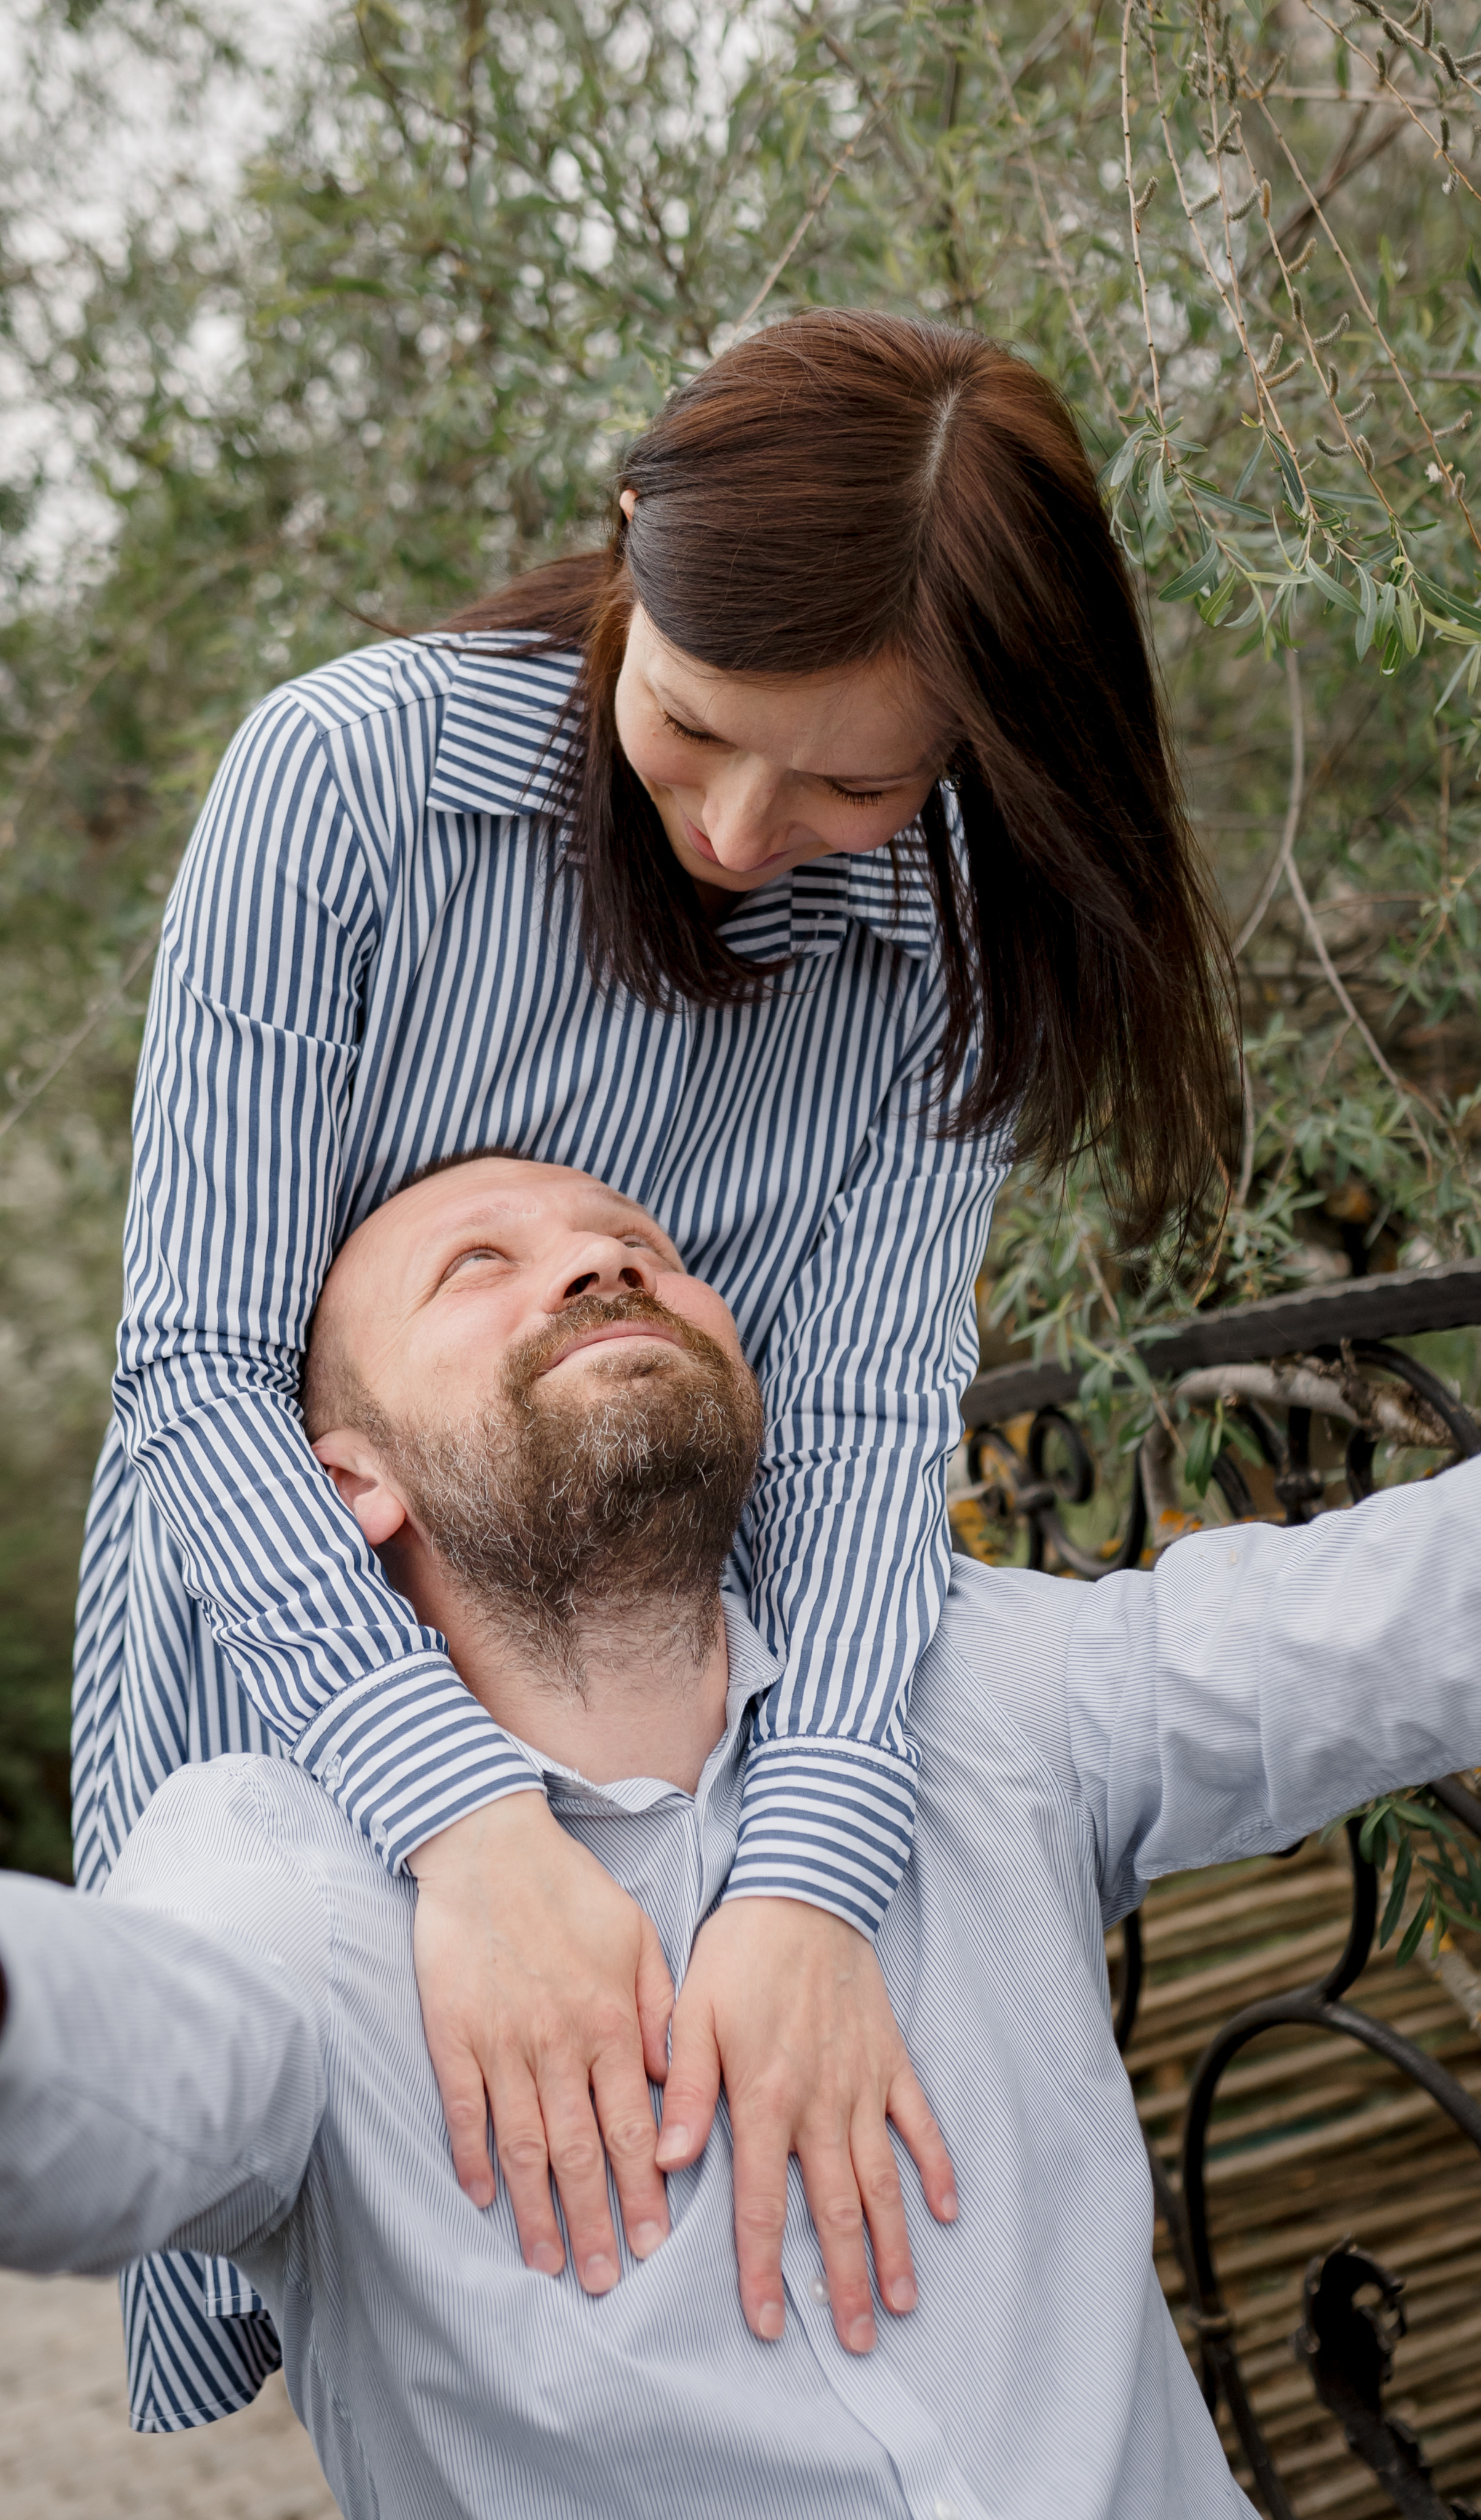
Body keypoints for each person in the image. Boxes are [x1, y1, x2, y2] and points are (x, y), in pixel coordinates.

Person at [71, 306, 1234, 2425]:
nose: (733, 826)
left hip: (710, 1702)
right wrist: (461, 1823)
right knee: (449, 2337)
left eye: (857, 780)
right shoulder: (348, 783)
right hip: (309, 1677)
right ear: (627, 541)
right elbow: (201, 1368)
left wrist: (804, 1868)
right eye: (693, 724)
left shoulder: (943, 943)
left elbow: (872, 1428)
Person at [15, 1150, 1481, 2520]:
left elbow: (1387, 1618)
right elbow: (130, 2058)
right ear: (350, 1487)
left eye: (639, 1248)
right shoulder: (286, 1877)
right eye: (476, 1265)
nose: (601, 1269)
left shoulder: (972, 1684)